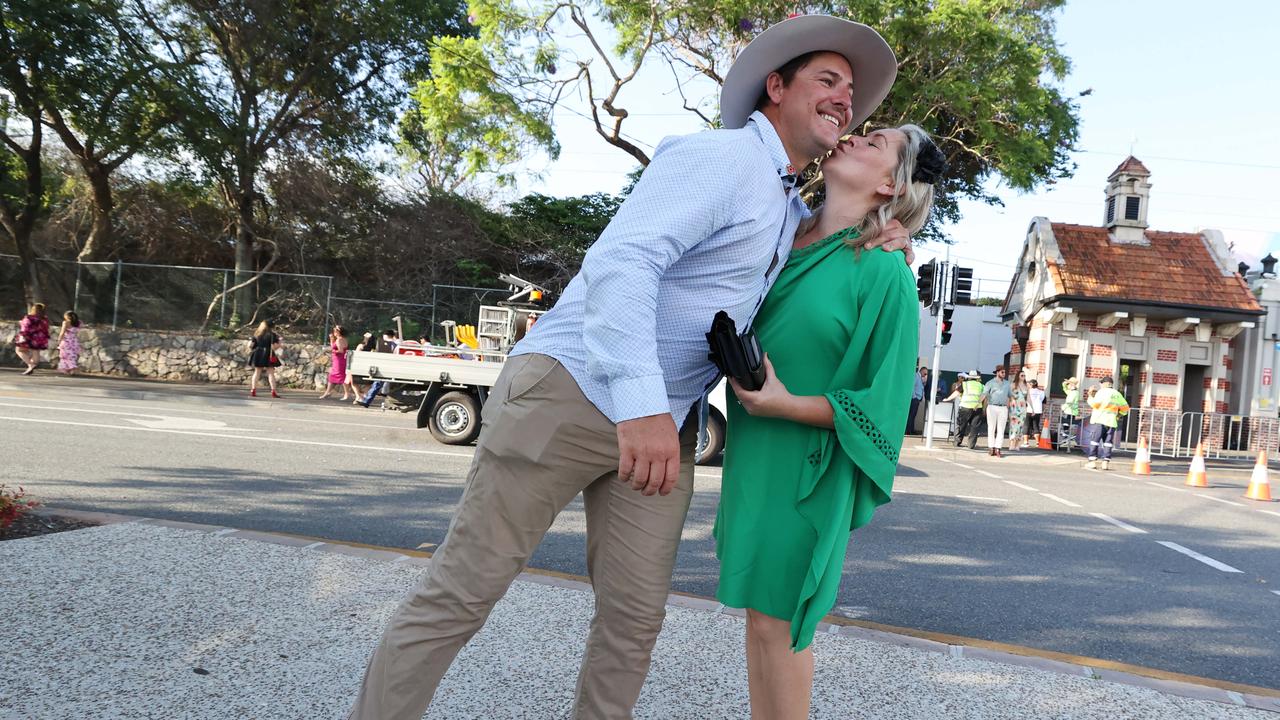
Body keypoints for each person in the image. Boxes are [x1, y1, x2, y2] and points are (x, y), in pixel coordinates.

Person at [346, 15, 907, 720]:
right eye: (827, 81)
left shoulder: (788, 205)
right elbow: (623, 261)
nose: (844, 101)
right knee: (462, 593)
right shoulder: (720, 158)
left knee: (634, 623)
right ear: (775, 87)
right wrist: (640, 407)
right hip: (573, 391)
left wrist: (891, 228)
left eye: (851, 92)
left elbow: (821, 259)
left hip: (664, 425)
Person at [719, 123, 942, 718]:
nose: (855, 136)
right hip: (754, 450)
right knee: (760, 617)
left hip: (808, 465)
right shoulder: (781, 226)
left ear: (889, 184)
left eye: (875, 145)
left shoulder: (885, 270)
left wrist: (783, 404)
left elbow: (884, 406)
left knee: (782, 621)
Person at [1086, 377, 1130, 470]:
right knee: (1108, 443)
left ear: (1105, 383)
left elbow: (1095, 405)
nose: (1100, 385)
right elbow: (1125, 408)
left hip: (1100, 420)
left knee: (1095, 441)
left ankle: (1092, 462)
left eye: (1101, 383)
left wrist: (1090, 396)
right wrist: (1119, 415)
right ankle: (1105, 462)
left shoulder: (1101, 392)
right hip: (1111, 422)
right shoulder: (1117, 394)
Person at [354, 329, 398, 408]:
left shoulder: (383, 343)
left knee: (377, 384)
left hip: (384, 366)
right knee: (379, 384)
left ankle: (367, 401)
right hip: (392, 366)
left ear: (386, 335)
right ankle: (367, 401)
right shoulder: (396, 344)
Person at [247, 320, 282, 398]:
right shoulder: (273, 335)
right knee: (271, 373)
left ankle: (253, 389)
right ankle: (273, 391)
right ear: (271, 326)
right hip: (268, 354)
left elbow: (251, 345)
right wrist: (279, 343)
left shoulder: (257, 334)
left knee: (257, 372)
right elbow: (273, 347)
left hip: (258, 354)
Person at [982, 365, 1012, 457]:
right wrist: (978, 403)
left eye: (1004, 372)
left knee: (1001, 429)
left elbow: (1010, 396)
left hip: (1003, 408)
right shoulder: (990, 383)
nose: (1004, 374)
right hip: (992, 407)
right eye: (1002, 372)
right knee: (991, 428)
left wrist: (1010, 408)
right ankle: (991, 448)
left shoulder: (1007, 384)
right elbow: (984, 394)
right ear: (997, 372)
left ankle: (998, 448)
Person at [14, 303, 50, 376]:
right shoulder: (45, 319)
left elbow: (25, 327)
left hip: (29, 336)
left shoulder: (29, 317)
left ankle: (30, 365)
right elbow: (46, 328)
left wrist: (23, 335)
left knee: (19, 350)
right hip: (40, 337)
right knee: (36, 352)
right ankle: (31, 367)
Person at [953, 370, 985, 449]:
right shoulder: (982, 386)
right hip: (977, 408)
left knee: (961, 425)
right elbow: (984, 397)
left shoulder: (964, 384)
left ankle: (957, 442)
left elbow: (957, 393)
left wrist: (947, 398)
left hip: (965, 407)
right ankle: (971, 445)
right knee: (974, 427)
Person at [319, 325, 351, 400]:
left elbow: (340, 351)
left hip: (339, 361)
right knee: (332, 376)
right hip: (337, 360)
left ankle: (346, 394)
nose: (334, 333)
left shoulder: (339, 340)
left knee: (341, 376)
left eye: (335, 331)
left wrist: (331, 351)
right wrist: (331, 339)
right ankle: (327, 393)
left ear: (339, 332)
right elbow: (334, 346)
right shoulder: (341, 339)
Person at [1007, 369, 1030, 451]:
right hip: (1014, 407)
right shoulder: (1013, 385)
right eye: (1022, 375)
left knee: (1020, 427)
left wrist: (1032, 408)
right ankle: (1011, 444)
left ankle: (1017, 445)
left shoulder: (1026, 386)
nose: (1023, 377)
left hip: (1023, 408)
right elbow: (1009, 396)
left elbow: (1029, 397)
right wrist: (1008, 406)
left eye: (1024, 376)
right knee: (1013, 426)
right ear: (1018, 376)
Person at [56, 311, 82, 375]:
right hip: (74, 341)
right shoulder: (79, 323)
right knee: (72, 356)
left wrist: (59, 340)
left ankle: (68, 369)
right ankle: (71, 370)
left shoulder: (65, 323)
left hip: (66, 341)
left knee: (65, 356)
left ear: (67, 316)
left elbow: (62, 332)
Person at [1060, 376, 1081, 450]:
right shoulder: (1071, 392)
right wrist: (1066, 382)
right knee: (1066, 424)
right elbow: (1064, 387)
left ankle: (1066, 438)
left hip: (1071, 411)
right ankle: (1065, 437)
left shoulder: (1075, 393)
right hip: (1068, 411)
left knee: (1067, 424)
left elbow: (1070, 402)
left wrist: (1063, 407)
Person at [907, 366, 927, 435]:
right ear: (922, 371)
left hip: (917, 399)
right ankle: (909, 430)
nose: (925, 375)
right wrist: (914, 397)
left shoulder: (920, 378)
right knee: (911, 415)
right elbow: (912, 386)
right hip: (914, 399)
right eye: (925, 373)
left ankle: (911, 430)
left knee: (913, 415)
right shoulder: (916, 376)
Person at [1027, 378, 1046, 447]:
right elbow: (1043, 403)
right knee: (1036, 426)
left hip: (1028, 410)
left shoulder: (1027, 391)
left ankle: (1026, 442)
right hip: (1038, 411)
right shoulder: (1041, 392)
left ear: (1030, 385)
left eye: (1029, 384)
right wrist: (1042, 411)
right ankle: (1038, 442)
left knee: (1026, 426)